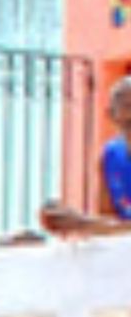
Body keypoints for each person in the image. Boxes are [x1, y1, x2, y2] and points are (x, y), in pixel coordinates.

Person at [40, 77, 131, 239]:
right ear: (111, 115)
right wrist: (69, 222)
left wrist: (83, 224)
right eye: (125, 105)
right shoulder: (111, 155)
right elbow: (108, 220)